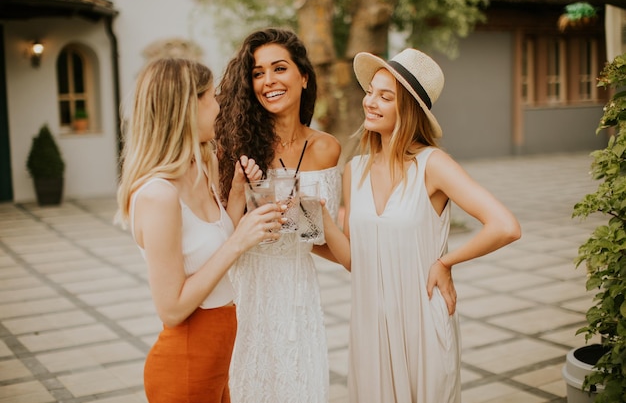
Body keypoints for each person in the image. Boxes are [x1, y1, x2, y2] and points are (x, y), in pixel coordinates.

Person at [321, 48, 522, 403]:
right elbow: (355, 260)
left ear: (409, 110)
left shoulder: (433, 165)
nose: (371, 102)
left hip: (421, 321)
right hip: (371, 325)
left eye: (386, 97)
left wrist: (445, 262)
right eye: (371, 92)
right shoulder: (355, 170)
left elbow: (505, 225)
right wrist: (317, 219)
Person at [116, 58, 283, 403]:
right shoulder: (158, 194)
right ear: (187, 107)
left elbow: (217, 250)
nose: (219, 107)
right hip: (186, 365)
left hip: (216, 360)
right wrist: (239, 241)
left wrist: (238, 192)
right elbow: (172, 309)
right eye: (212, 97)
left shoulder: (200, 169)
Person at [215, 27, 342, 403]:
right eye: (257, 72)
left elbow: (318, 239)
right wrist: (239, 187)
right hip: (244, 293)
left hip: (296, 295)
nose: (268, 80)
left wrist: (303, 218)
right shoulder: (234, 144)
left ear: (303, 77)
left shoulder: (327, 149)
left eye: (279, 68)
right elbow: (223, 238)